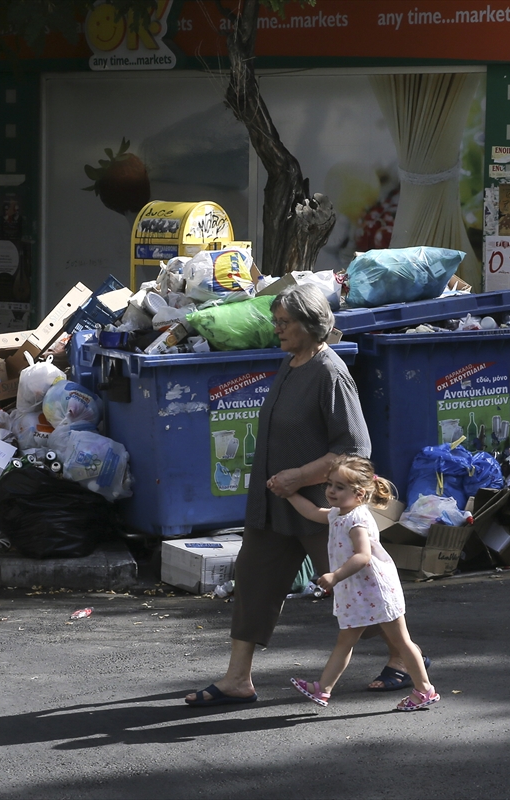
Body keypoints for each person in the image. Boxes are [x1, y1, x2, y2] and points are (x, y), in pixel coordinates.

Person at [184, 284, 420, 707]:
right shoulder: (291, 363)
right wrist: (282, 484)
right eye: (276, 321)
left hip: (323, 509)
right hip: (276, 503)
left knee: (363, 586)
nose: (277, 329)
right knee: (253, 582)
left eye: (285, 322)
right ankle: (238, 679)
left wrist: (299, 476)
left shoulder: (330, 372)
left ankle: (402, 659)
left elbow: (353, 447)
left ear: (311, 325)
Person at [285, 455, 438, 712]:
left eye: (339, 487)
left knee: (401, 641)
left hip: (375, 590)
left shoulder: (357, 519)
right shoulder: (338, 514)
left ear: (358, 494)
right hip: (356, 591)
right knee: (345, 640)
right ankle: (323, 688)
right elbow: (312, 512)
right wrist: (288, 493)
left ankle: (424, 690)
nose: (331, 491)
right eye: (330, 484)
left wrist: (335, 576)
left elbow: (363, 556)